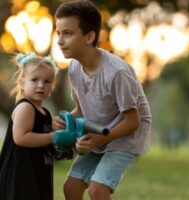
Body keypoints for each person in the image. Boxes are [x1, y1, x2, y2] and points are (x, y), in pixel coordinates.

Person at [54, 0, 152, 199]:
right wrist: (64, 121)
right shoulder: (74, 68)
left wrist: (98, 139)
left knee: (98, 190)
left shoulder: (115, 73)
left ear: (89, 37)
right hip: (98, 132)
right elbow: (81, 109)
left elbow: (133, 121)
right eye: (58, 33)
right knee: (71, 187)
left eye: (67, 33)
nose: (59, 41)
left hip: (125, 135)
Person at [0, 53, 59, 200]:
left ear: (52, 86)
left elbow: (42, 137)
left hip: (36, 169)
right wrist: (52, 137)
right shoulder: (25, 107)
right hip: (21, 172)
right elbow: (21, 138)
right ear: (22, 83)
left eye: (47, 81)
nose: (41, 85)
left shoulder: (44, 112)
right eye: (34, 80)